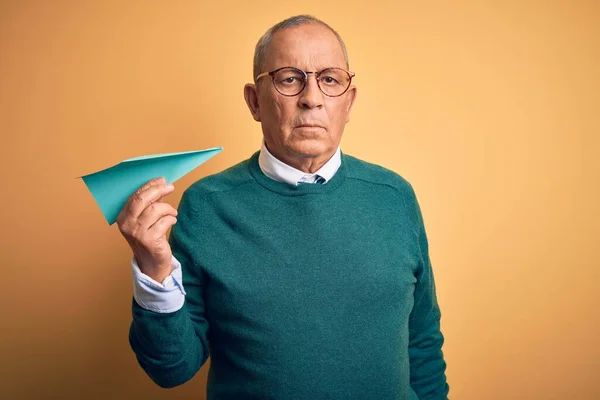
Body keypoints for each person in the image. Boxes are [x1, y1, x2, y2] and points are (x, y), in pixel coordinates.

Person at [118, 14, 449, 400]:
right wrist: (154, 271)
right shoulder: (206, 206)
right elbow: (172, 369)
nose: (312, 98)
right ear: (254, 101)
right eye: (290, 78)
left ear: (349, 101)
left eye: (329, 79)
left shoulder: (394, 196)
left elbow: (423, 341)